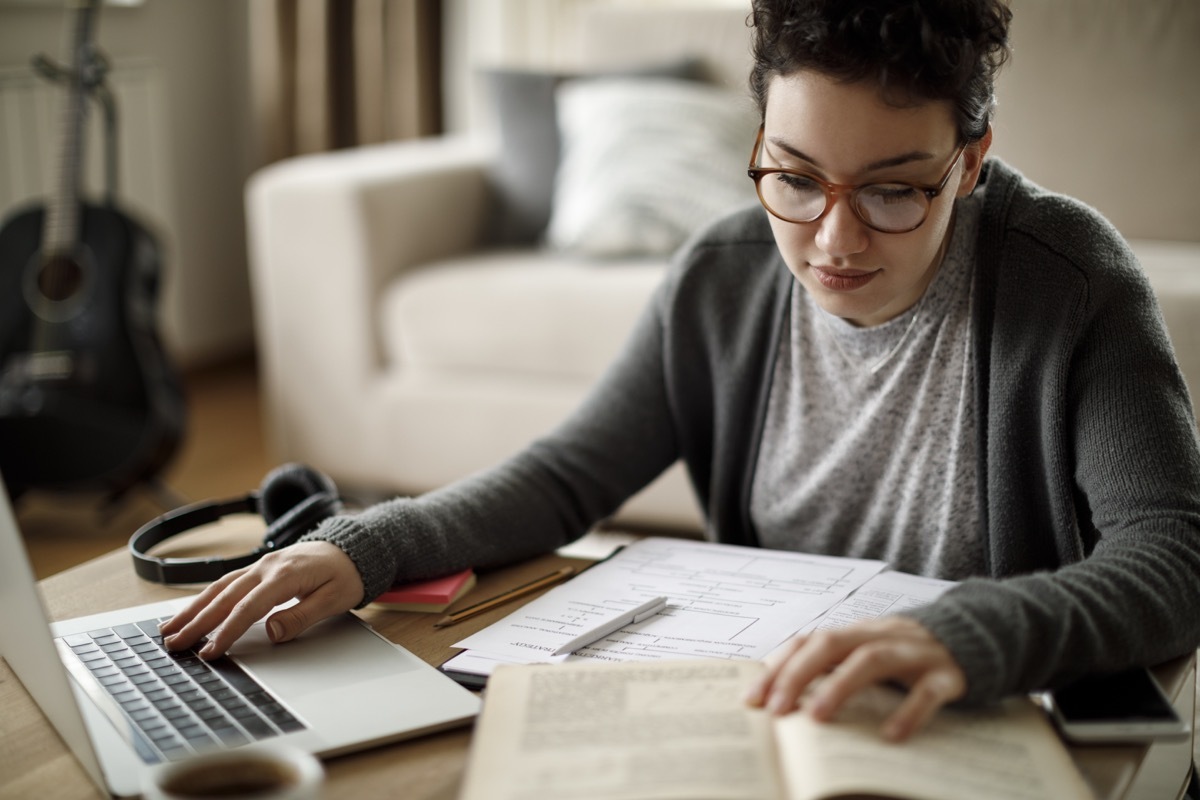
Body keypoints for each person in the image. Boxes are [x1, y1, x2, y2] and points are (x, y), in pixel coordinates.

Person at [161, 0, 1200, 743]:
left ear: (969, 162)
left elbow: (1173, 553)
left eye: (894, 192)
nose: (832, 239)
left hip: (981, 718)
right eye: (793, 178)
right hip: (774, 722)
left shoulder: (1071, 281)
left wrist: (974, 631)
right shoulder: (720, 275)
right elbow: (569, 474)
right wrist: (371, 544)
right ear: (756, 140)